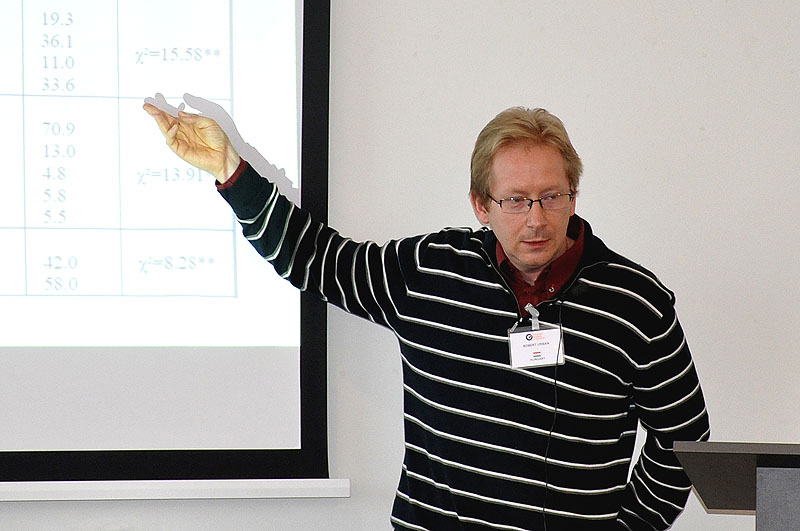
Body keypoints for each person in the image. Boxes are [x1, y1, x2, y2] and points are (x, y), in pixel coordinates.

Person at [144, 100, 710, 531]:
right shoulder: (431, 270)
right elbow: (317, 260)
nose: (536, 218)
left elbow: (684, 440)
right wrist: (231, 171)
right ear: (481, 205)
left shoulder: (635, 302)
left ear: (573, 196)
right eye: (515, 200)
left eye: (552, 196)